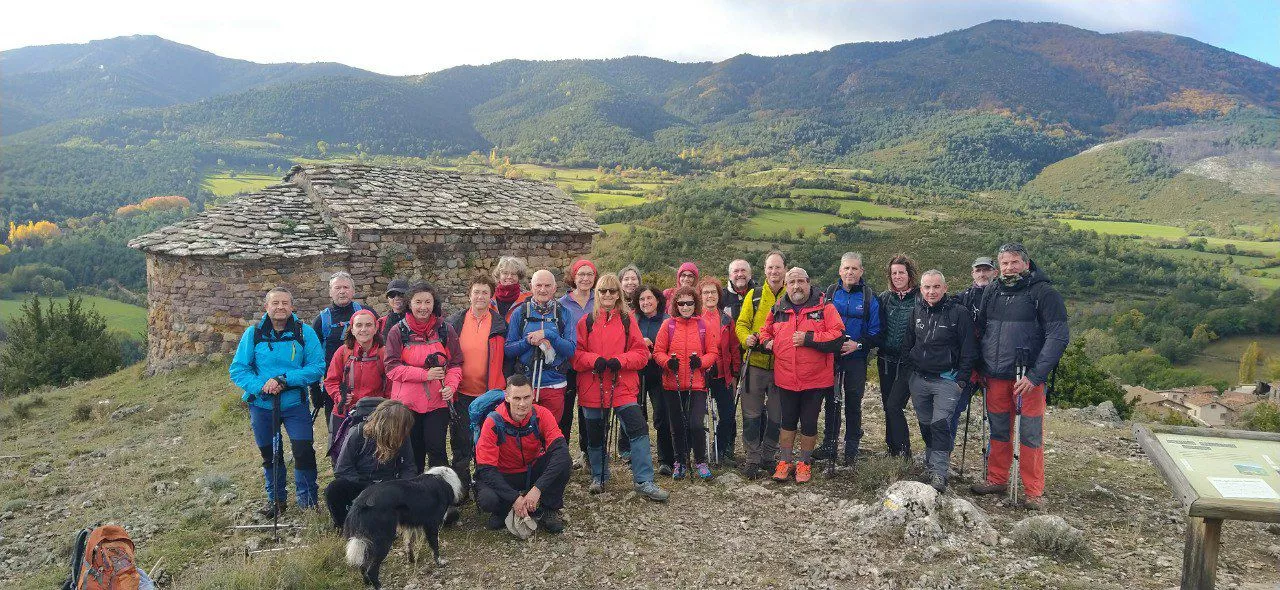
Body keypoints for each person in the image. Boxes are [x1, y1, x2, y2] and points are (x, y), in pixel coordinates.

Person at [971, 243, 1069, 510]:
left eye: (1014, 262)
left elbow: (1058, 337)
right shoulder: (992, 291)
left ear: (1026, 263)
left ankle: (1033, 491)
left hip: (1027, 378)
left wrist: (1036, 376)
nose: (1009, 268)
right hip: (994, 374)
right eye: (1004, 263)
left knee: (1030, 434)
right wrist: (978, 367)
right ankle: (997, 478)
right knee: (999, 431)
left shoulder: (1043, 293)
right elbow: (981, 330)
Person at [229, 287, 326, 517]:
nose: (280, 307)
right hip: (262, 404)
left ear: (292, 307)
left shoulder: (305, 333)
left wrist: (285, 379)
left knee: (303, 451)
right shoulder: (253, 334)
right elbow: (238, 369)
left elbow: (317, 367)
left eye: (285, 303)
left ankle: (308, 500)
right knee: (270, 454)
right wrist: (262, 386)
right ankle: (276, 501)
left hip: (295, 404)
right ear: (266, 307)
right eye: (275, 303)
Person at [571, 274, 670, 500]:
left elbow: (642, 354)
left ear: (618, 294)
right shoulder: (585, 322)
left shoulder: (627, 320)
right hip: (592, 387)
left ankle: (644, 481)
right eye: (603, 291)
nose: (608, 295)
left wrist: (620, 361)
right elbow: (575, 356)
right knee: (595, 435)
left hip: (622, 387)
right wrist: (593, 360)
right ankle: (600, 475)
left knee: (638, 429)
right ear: (597, 293)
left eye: (612, 291)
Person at [756, 268, 844, 484]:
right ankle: (785, 461)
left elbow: (838, 336)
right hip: (786, 376)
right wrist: (767, 342)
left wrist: (809, 339)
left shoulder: (825, 306)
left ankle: (804, 463)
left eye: (801, 281)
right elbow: (765, 331)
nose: (797, 286)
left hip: (815, 378)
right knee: (787, 422)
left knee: (809, 422)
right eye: (792, 282)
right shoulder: (778, 308)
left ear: (809, 282)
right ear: (786, 285)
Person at [904, 270, 978, 492]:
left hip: (947, 380)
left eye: (936, 287)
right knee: (926, 425)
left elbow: (969, 349)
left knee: (940, 425)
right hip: (919, 379)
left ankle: (939, 474)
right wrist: (910, 370)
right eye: (927, 287)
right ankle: (931, 463)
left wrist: (961, 380)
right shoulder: (916, 310)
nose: (931, 291)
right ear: (921, 289)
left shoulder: (959, 313)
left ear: (945, 288)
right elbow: (908, 341)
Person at [474, 374, 571, 534]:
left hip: (531, 470)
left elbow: (560, 450)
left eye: (527, 397)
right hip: (503, 473)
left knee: (563, 461)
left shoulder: (542, 414)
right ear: (507, 397)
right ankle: (505, 508)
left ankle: (549, 508)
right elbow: (486, 469)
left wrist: (537, 489)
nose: (522, 403)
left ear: (533, 395)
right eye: (517, 398)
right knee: (487, 500)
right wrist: (514, 498)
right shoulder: (492, 422)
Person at [384, 281, 463, 474]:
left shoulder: (445, 329)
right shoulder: (398, 331)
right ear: (409, 304)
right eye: (418, 302)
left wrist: (451, 386)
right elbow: (392, 368)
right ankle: (414, 495)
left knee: (437, 451)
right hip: (407, 404)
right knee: (413, 452)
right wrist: (425, 375)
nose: (423, 307)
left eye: (427, 302)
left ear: (433, 304)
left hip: (437, 401)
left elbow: (455, 364)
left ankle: (442, 496)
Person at [445, 274, 508, 499]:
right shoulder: (455, 322)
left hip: (490, 395)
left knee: (488, 443)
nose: (480, 296)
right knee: (461, 442)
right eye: (476, 292)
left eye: (485, 292)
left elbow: (508, 359)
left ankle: (485, 486)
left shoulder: (500, 324)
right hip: (462, 393)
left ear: (491, 296)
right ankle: (461, 488)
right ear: (469, 294)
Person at [815, 252, 881, 465]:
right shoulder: (830, 294)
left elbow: (876, 332)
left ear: (861, 271)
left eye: (854, 268)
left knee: (853, 403)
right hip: (831, 357)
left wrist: (858, 345)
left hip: (856, 358)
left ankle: (851, 448)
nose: (850, 272)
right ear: (840, 271)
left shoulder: (870, 297)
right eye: (846, 268)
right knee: (831, 402)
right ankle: (829, 444)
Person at [655, 285, 721, 480]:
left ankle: (700, 460)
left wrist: (701, 362)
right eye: (681, 303)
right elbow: (658, 351)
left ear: (695, 304)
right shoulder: (668, 325)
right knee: (677, 425)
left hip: (697, 383)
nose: (685, 307)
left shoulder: (703, 325)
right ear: (676, 305)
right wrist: (668, 363)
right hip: (672, 383)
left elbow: (713, 352)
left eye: (689, 303)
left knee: (695, 424)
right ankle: (680, 461)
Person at [325, 399, 416, 528]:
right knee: (334, 489)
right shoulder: (357, 433)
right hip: (360, 485)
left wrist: (401, 487)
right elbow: (343, 469)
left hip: (388, 487)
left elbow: (408, 467)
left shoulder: (402, 437)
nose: (404, 430)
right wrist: (367, 487)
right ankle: (345, 526)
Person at [736, 250, 786, 479]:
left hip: (782, 366)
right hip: (754, 363)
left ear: (784, 269)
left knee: (777, 415)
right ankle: (752, 458)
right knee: (751, 414)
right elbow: (742, 324)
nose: (774, 271)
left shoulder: (794, 295)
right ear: (764, 270)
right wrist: (745, 338)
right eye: (770, 267)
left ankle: (769, 456)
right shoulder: (754, 296)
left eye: (778, 267)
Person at [505, 269, 576, 422]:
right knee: (525, 430)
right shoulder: (520, 313)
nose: (543, 290)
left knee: (550, 430)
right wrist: (527, 341)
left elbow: (570, 350)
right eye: (538, 285)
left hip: (554, 384)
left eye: (547, 285)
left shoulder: (564, 313)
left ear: (555, 288)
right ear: (531, 287)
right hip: (525, 384)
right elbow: (509, 349)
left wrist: (549, 335)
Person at [311, 272, 372, 427]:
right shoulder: (321, 320)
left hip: (367, 383)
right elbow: (313, 357)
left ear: (353, 291)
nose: (342, 291)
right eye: (337, 288)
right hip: (334, 385)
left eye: (346, 287)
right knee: (337, 432)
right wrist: (315, 390)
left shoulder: (367, 313)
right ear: (330, 292)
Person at [948, 256, 996, 439]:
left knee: (997, 418)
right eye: (978, 270)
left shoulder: (1002, 297)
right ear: (972, 273)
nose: (982, 274)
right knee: (953, 409)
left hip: (994, 365)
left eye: (986, 270)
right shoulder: (964, 297)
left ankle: (995, 464)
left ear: (994, 272)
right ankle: (942, 458)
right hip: (969, 367)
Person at [877, 254, 919, 459]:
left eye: (901, 272)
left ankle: (904, 452)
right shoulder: (885, 298)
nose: (897, 276)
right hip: (885, 360)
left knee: (894, 405)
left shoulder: (920, 297)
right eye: (894, 273)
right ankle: (892, 448)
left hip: (908, 363)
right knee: (888, 405)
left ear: (910, 274)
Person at [323, 309, 387, 440]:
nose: (364, 329)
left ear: (376, 329)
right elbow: (331, 380)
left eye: (368, 325)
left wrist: (386, 408)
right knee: (341, 456)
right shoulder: (342, 352)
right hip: (345, 412)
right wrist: (338, 396)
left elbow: (391, 384)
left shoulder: (384, 354)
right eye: (359, 325)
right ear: (352, 329)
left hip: (375, 413)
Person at [699, 277, 742, 465]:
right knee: (697, 416)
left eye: (713, 292)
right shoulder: (694, 319)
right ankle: (700, 454)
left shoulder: (726, 319)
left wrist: (735, 373)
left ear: (719, 295)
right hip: (700, 374)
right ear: (700, 296)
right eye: (706, 292)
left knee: (727, 414)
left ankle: (721, 450)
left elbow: (734, 347)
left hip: (723, 373)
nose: (710, 296)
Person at [559, 259, 597, 465]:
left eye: (589, 274)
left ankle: (587, 452)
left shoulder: (599, 300)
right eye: (581, 274)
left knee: (588, 411)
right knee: (565, 412)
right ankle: (561, 455)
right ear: (573, 277)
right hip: (567, 366)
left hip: (591, 365)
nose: (585, 278)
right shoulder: (562, 304)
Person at [635, 285, 675, 474]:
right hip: (638, 373)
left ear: (658, 300)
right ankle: (638, 456)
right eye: (642, 299)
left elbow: (673, 346)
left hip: (661, 373)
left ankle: (666, 459)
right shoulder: (633, 320)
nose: (646, 302)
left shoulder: (667, 321)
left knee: (662, 416)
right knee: (637, 416)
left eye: (649, 298)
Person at [492, 257, 531, 322]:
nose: (509, 277)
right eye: (505, 273)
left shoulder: (529, 299)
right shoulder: (489, 298)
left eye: (513, 274)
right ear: (499, 276)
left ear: (519, 277)